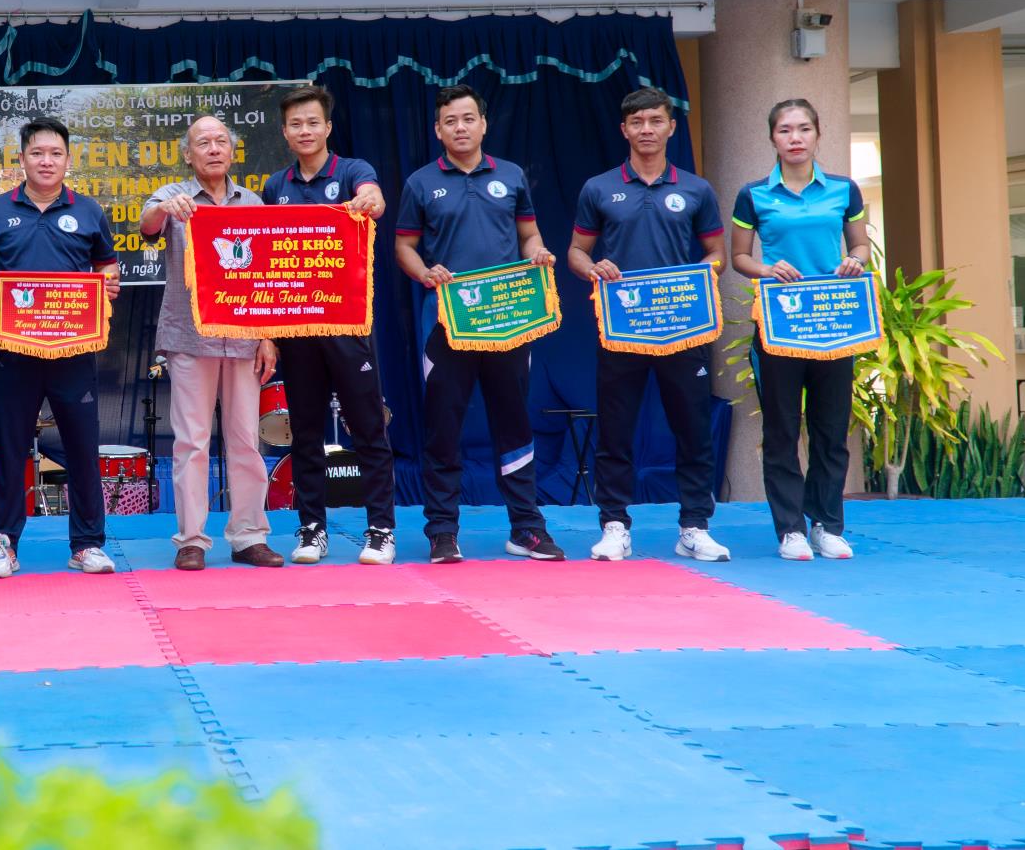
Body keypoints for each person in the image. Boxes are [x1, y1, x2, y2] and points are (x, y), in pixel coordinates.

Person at [394, 86, 566, 565]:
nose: (461, 127)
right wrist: (424, 272)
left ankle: (527, 528)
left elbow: (529, 235)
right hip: (446, 323)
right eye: (450, 121)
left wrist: (538, 253)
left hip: (508, 320)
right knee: (443, 428)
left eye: (468, 118)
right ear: (438, 130)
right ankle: (442, 532)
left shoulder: (510, 175)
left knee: (514, 424)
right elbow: (404, 246)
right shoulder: (421, 183)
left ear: (483, 124)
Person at [567, 87, 731, 564]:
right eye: (637, 122)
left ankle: (695, 526)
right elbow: (576, 251)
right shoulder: (599, 188)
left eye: (655, 121)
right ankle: (614, 526)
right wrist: (592, 269)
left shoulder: (696, 189)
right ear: (624, 129)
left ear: (671, 127)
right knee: (616, 429)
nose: (646, 130)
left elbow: (717, 254)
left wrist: (699, 275)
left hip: (683, 326)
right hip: (622, 326)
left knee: (693, 429)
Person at [0, 117, 123, 578]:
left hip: (73, 350)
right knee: (9, 446)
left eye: (55, 153)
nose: (46, 161)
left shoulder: (89, 210)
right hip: (13, 351)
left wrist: (107, 285)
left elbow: (108, 268)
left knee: (82, 446)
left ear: (68, 160)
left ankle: (87, 544)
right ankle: (3, 544)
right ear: (22, 158)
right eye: (37, 153)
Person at [139, 115, 285, 571]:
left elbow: (267, 272)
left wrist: (267, 336)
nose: (214, 149)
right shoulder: (172, 196)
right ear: (189, 154)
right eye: (204, 143)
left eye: (221, 141)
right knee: (191, 442)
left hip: (244, 337)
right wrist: (167, 209)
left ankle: (249, 536)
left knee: (246, 441)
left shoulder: (252, 202)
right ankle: (191, 541)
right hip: (190, 336)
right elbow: (147, 224)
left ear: (232, 151)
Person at [261, 85, 398, 566]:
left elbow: (374, 197)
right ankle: (311, 529)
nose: (305, 131)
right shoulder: (275, 187)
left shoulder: (353, 170)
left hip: (346, 325)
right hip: (297, 331)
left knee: (368, 428)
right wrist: (268, 334)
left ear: (328, 127)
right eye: (296, 124)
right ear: (285, 132)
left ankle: (380, 530)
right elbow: (266, 261)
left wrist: (369, 199)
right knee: (305, 433)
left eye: (313, 122)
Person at [730, 98, 870, 562]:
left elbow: (861, 246)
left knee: (831, 430)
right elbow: (739, 257)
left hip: (833, 322)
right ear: (772, 137)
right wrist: (767, 269)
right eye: (785, 130)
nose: (795, 138)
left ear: (818, 134)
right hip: (779, 325)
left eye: (804, 129)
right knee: (782, 430)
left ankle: (827, 525)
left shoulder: (844, 189)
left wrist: (855, 261)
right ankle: (790, 528)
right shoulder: (753, 194)